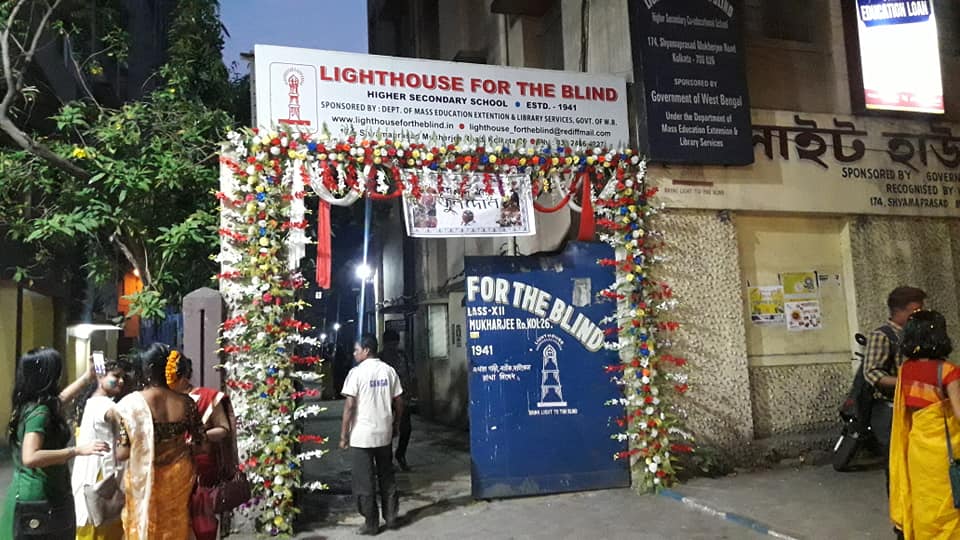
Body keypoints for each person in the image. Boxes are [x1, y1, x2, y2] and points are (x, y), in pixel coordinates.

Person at [1, 348, 109, 539]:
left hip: (29, 494)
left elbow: (59, 401)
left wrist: (87, 377)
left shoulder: (29, 404)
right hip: (40, 499)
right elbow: (30, 457)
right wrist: (76, 451)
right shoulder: (40, 412)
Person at [107, 343, 205, 539]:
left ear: (147, 369)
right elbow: (202, 444)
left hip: (144, 476)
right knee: (176, 526)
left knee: (145, 527)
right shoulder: (187, 403)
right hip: (179, 475)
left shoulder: (130, 405)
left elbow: (123, 453)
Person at [889, 310, 960, 538]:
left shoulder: (905, 371)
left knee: (925, 503)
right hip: (946, 454)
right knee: (949, 507)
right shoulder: (948, 371)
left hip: (917, 451)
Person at [340, 333, 404, 535]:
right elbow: (399, 402)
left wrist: (344, 435)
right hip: (384, 432)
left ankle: (371, 523)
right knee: (387, 476)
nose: (354, 353)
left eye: (356, 350)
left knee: (364, 481)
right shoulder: (389, 371)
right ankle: (391, 517)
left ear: (366, 350)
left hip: (362, 437)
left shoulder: (356, 373)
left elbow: (349, 407)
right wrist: (396, 424)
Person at [169, 353, 235, 540]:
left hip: (201, 470)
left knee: (201, 522)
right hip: (171, 469)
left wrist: (200, 437)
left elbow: (223, 429)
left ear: (183, 376)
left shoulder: (208, 397)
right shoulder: (165, 399)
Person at [863, 287, 926, 466]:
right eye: (915, 311)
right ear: (899, 311)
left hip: (915, 405)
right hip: (890, 408)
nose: (919, 315)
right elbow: (872, 373)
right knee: (897, 461)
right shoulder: (882, 336)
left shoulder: (916, 334)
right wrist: (906, 382)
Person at [73, 359, 129, 540]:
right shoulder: (103, 404)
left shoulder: (92, 402)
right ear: (100, 376)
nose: (121, 381)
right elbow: (115, 415)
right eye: (116, 376)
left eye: (123, 377)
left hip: (92, 477)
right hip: (100, 477)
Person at [380, 329, 415, 471]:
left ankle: (400, 454)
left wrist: (411, 391)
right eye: (390, 344)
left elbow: (410, 374)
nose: (393, 347)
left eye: (395, 344)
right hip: (385, 399)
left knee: (406, 429)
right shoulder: (380, 359)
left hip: (402, 397)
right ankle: (386, 460)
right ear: (385, 344)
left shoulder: (403, 356)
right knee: (386, 430)